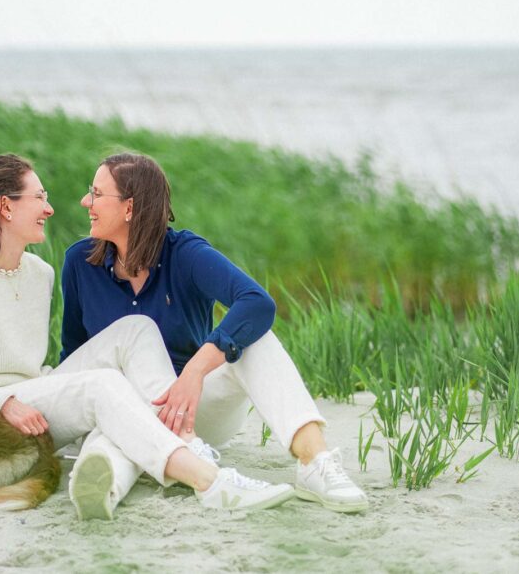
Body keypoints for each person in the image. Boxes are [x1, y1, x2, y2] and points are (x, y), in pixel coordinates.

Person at [0, 154, 295, 519]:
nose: (50, 209)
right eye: (39, 198)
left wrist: (51, 390)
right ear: (6, 208)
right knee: (102, 385)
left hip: (37, 404)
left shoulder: (40, 273)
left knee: (137, 328)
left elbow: (55, 358)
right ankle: (208, 480)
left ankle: (184, 442)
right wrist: (4, 402)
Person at [61, 152, 369, 513]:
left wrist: (195, 371)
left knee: (255, 341)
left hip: (191, 412)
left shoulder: (185, 254)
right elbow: (77, 351)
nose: (86, 202)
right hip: (127, 409)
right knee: (117, 434)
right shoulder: (80, 263)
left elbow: (257, 302)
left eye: (97, 193)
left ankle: (315, 463)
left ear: (129, 208)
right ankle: (108, 483)